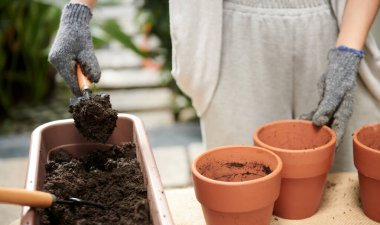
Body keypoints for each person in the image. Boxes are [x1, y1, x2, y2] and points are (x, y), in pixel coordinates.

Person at [47, 0, 380, 172]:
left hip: (340, 22)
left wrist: (349, 51)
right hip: (227, 36)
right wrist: (78, 9)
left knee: (347, 192)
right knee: (240, 194)